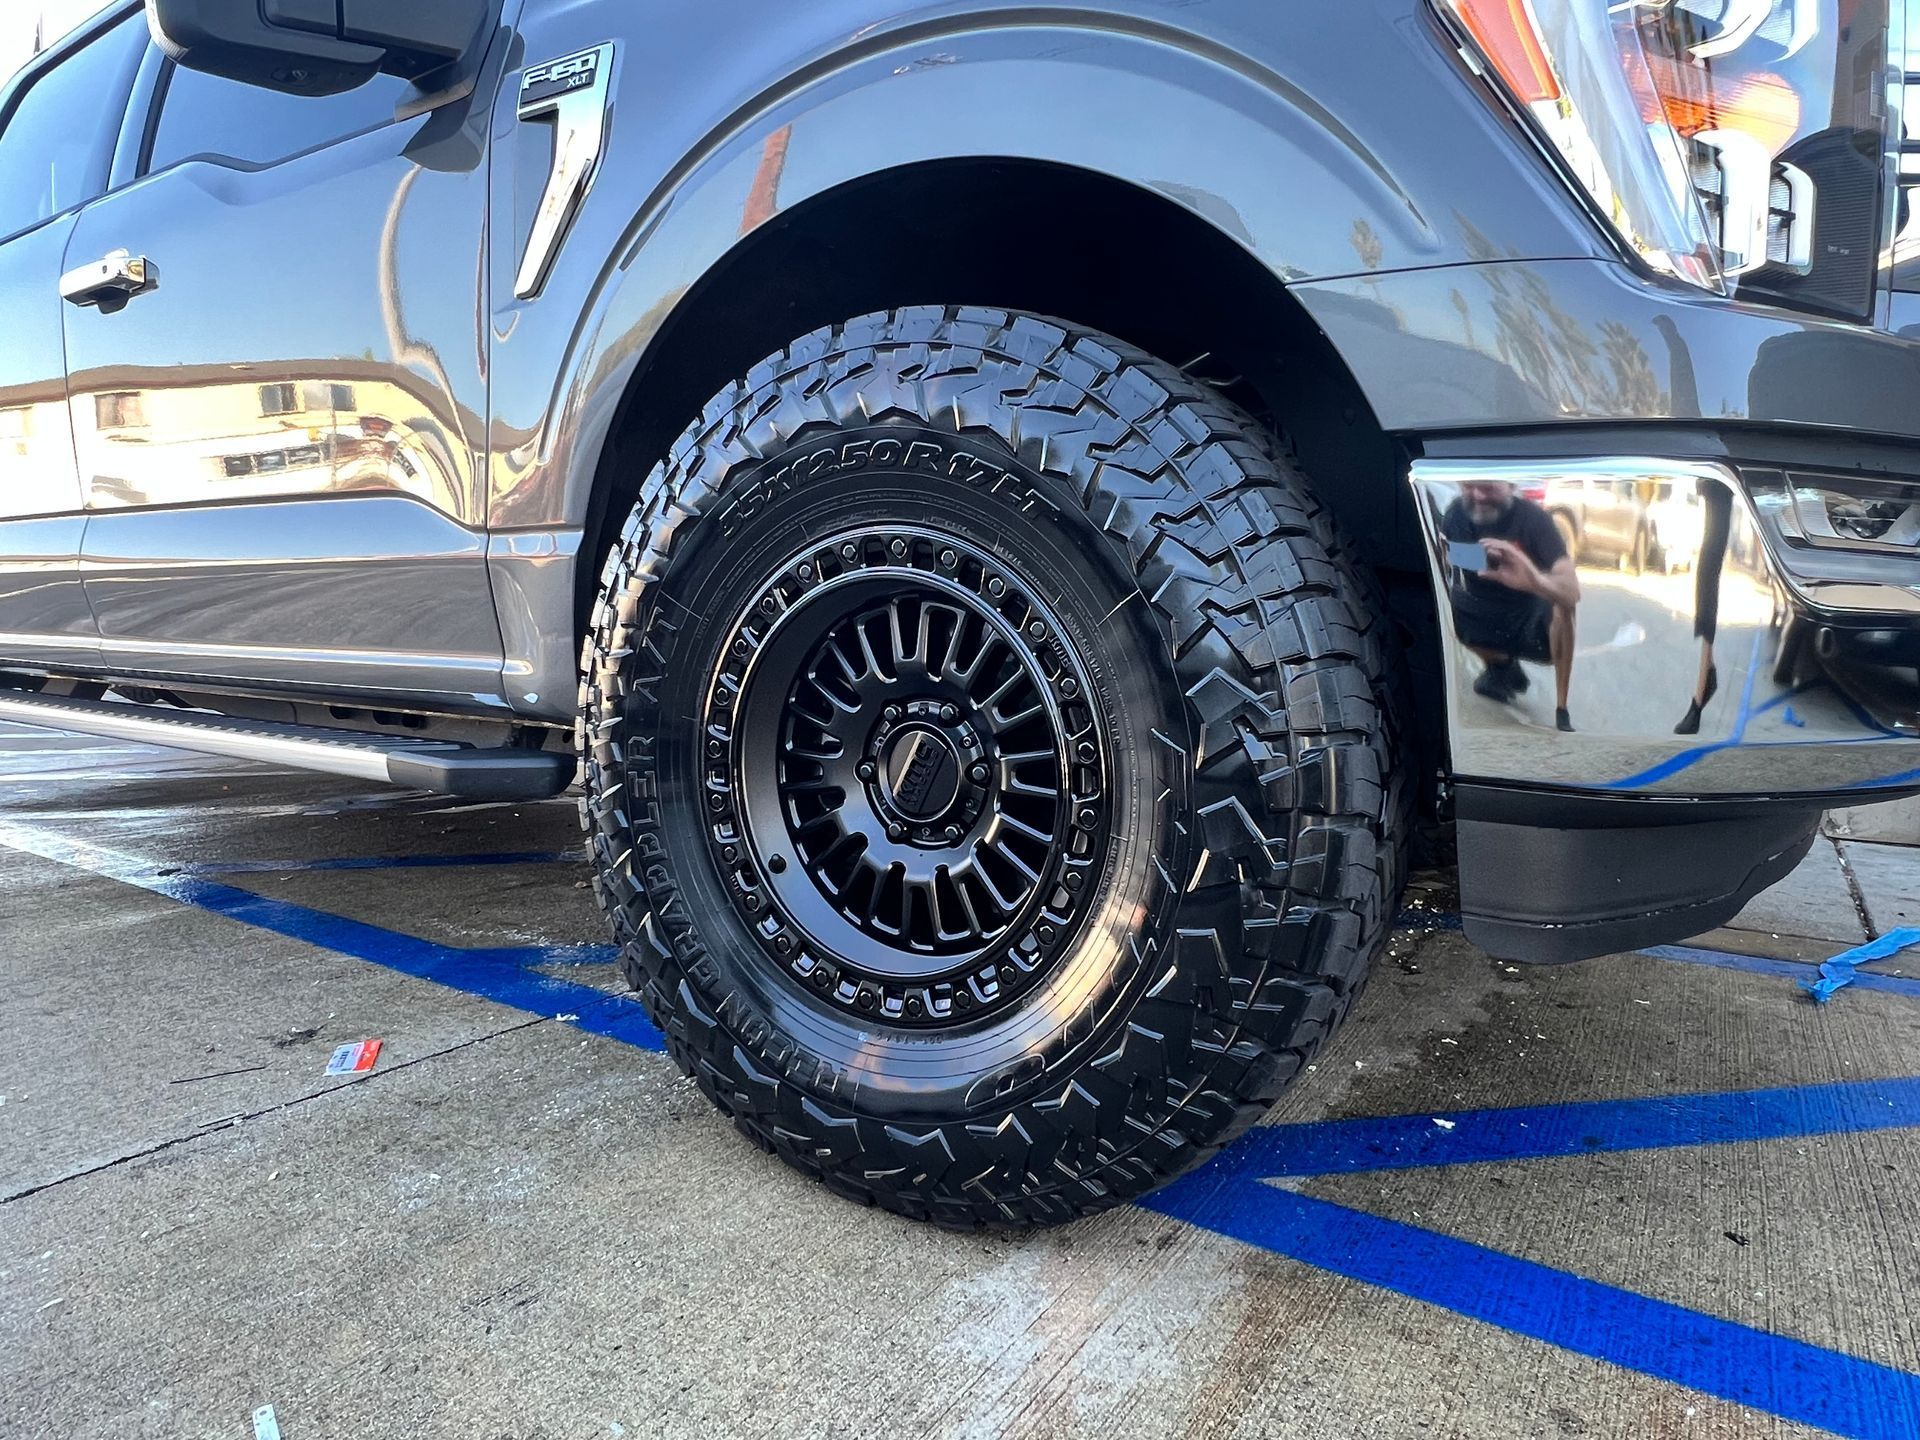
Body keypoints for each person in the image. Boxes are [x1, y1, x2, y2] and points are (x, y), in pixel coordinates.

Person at [1440, 480, 1582, 732]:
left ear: (1510, 484)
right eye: (1468, 487)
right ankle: (1502, 666)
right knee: (1445, 606)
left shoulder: (1533, 520)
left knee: (1564, 608)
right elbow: (1445, 558)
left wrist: (1534, 579)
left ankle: (1563, 708)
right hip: (1481, 610)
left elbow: (1571, 592)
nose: (1478, 496)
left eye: (1487, 488)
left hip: (1531, 614)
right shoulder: (1456, 515)